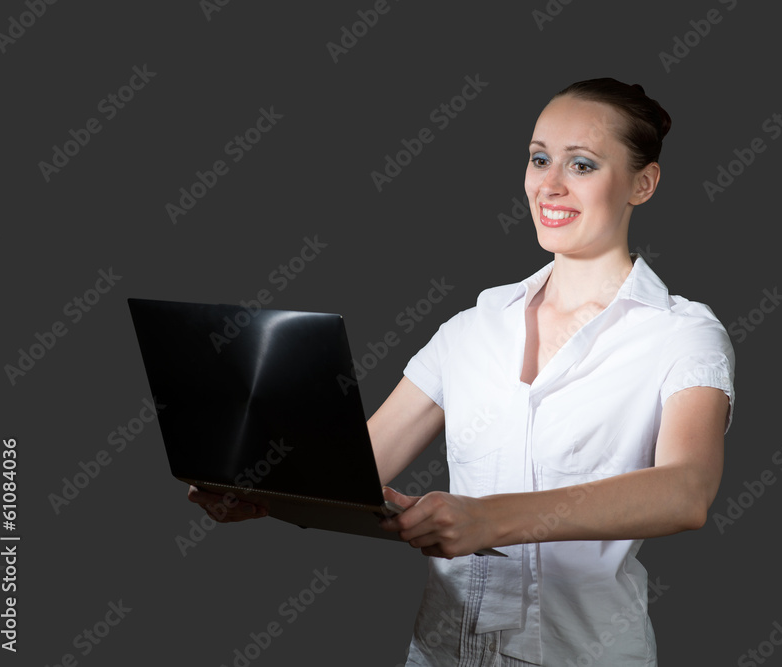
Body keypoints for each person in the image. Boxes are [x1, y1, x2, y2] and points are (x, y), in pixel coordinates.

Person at [189, 78, 735, 666]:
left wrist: (487, 520)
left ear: (642, 184)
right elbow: (352, 470)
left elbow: (686, 490)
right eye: (539, 158)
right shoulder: (472, 328)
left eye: (581, 164)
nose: (549, 184)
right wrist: (268, 492)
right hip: (441, 652)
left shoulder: (682, 334)